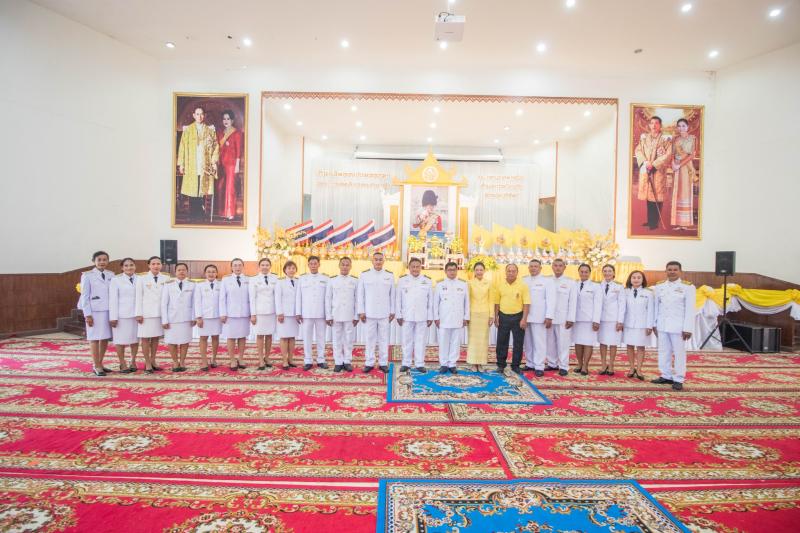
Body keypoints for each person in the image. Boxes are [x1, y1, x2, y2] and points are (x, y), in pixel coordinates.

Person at [652, 261, 696, 391]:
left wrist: (688, 328)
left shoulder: (688, 287)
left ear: (680, 271)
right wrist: (654, 323)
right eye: (669, 269)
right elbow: (656, 306)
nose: (672, 272)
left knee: (679, 353)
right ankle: (666, 375)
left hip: (678, 327)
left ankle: (678, 378)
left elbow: (690, 309)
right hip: (662, 324)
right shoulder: (659, 286)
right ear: (665, 271)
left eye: (675, 269)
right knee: (663, 351)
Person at [177, 105, 219, 220]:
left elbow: (215, 146)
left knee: (202, 188)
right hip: (191, 163)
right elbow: (182, 147)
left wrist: (214, 162)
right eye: (197, 114)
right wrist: (181, 164)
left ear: (204, 115)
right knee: (192, 188)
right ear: (194, 115)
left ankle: (200, 213)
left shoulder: (210, 130)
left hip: (204, 163)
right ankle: (192, 213)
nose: (199, 116)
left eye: (201, 114)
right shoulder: (188, 130)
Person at [357, 251, 395, 373]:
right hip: (369, 312)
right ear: (372, 261)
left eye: (380, 259)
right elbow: (360, 295)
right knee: (370, 338)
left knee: (384, 338)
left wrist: (392, 311)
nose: (378, 261)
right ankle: (369, 362)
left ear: (384, 261)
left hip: (384, 312)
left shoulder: (389, 275)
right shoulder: (364, 275)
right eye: (376, 259)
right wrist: (361, 311)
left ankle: (383, 363)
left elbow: (392, 295)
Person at [79, 251, 113, 376]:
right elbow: (84, 296)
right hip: (94, 312)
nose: (102, 262)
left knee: (104, 338)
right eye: (99, 260)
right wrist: (87, 314)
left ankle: (100, 363)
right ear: (94, 261)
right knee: (94, 338)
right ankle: (96, 365)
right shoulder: (87, 275)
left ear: (108, 261)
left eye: (105, 259)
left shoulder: (111, 274)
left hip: (107, 310)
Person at [634, 115, 672, 230]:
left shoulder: (666, 139)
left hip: (658, 171)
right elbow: (638, 150)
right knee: (649, 197)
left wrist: (654, 164)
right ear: (649, 125)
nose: (654, 125)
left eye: (656, 123)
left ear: (660, 125)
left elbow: (668, 155)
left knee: (657, 197)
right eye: (651, 123)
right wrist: (645, 162)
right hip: (646, 169)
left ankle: (655, 223)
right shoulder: (644, 138)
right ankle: (650, 221)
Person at [396, 257, 433, 372]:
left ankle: (419, 363)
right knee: (406, 340)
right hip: (407, 316)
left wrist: (430, 316)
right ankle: (406, 363)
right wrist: (399, 315)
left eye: (417, 267)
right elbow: (398, 299)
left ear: (421, 267)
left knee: (420, 340)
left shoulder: (427, 281)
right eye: (413, 267)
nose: (415, 269)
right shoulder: (402, 280)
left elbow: (430, 301)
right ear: (409, 267)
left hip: (422, 316)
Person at [135, 256, 171, 374]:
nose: (156, 266)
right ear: (149, 265)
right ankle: (147, 363)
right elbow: (138, 297)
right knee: (145, 339)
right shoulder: (141, 278)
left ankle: (153, 360)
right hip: (146, 314)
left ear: (161, 265)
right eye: (153, 264)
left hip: (159, 313)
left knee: (155, 338)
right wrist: (138, 313)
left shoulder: (166, 278)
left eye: (158, 263)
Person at [493, 264, 530, 374]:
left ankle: (516, 365)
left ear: (517, 272)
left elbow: (526, 303)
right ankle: (501, 365)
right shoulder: (499, 285)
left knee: (518, 343)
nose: (511, 273)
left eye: (513, 271)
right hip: (503, 316)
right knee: (501, 342)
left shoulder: (523, 285)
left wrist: (524, 319)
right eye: (509, 271)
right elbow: (496, 303)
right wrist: (496, 317)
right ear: (505, 272)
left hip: (518, 316)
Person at [434, 262, 470, 373]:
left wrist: (466, 317)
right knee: (443, 342)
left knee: (455, 342)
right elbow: (435, 303)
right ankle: (444, 364)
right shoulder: (440, 284)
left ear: (457, 271)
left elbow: (467, 302)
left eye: (454, 270)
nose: (452, 272)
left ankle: (452, 364)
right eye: (449, 270)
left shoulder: (463, 284)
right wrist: (436, 317)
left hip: (458, 318)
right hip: (444, 318)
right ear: (445, 271)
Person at [325, 257, 358, 372]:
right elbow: (328, 298)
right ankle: (338, 361)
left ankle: (347, 361)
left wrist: (356, 315)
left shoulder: (355, 281)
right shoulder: (332, 280)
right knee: (337, 338)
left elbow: (357, 299)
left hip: (349, 314)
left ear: (351, 267)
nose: (345, 267)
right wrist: (328, 315)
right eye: (343, 264)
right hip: (336, 314)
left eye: (347, 265)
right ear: (339, 266)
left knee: (349, 338)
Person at [296, 256, 330, 370]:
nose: (313, 266)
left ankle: (321, 360)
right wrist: (298, 312)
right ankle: (308, 360)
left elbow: (328, 297)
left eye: (315, 263)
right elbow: (298, 296)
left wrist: (328, 314)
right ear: (308, 265)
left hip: (321, 313)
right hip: (306, 313)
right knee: (307, 338)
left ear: (319, 264)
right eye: (311, 263)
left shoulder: (326, 278)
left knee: (321, 337)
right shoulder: (302, 278)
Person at [161, 263, 196, 371]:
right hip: (172, 318)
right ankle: (175, 362)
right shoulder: (168, 284)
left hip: (186, 318)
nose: (181, 272)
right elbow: (164, 303)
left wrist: (193, 317)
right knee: (172, 341)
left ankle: (182, 361)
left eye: (183, 270)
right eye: (179, 270)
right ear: (175, 272)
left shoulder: (192, 284)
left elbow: (195, 302)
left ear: (187, 271)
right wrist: (164, 320)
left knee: (185, 341)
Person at [523, 259, 555, 377]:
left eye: (535, 266)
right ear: (528, 268)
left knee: (539, 342)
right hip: (526, 316)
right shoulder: (524, 280)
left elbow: (551, 300)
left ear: (540, 268)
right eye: (531, 266)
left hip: (539, 316)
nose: (533, 268)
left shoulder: (547, 281)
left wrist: (549, 316)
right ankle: (530, 363)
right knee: (528, 342)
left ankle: (539, 366)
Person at [545, 258, 577, 376]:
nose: (557, 268)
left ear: (564, 267)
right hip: (549, 317)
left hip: (563, 318)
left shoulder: (570, 282)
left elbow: (573, 302)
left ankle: (563, 366)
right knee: (550, 342)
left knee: (563, 343)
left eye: (560, 265)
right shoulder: (547, 281)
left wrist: (571, 318)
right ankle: (552, 363)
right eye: (555, 265)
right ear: (552, 267)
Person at [623, 270, 654, 380]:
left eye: (639, 277)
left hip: (642, 324)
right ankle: (632, 368)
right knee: (630, 346)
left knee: (641, 346)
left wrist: (649, 326)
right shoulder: (625, 291)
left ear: (643, 280)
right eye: (634, 277)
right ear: (630, 279)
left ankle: (639, 369)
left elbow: (650, 310)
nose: (636, 279)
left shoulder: (649, 293)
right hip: (628, 323)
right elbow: (622, 308)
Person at [219, 258, 250, 371]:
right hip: (230, 314)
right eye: (235, 265)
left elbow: (251, 297)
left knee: (242, 336)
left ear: (243, 267)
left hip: (244, 313)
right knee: (231, 337)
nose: (237, 267)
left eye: (240, 265)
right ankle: (232, 359)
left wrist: (252, 313)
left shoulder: (248, 279)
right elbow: (222, 298)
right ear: (231, 267)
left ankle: (240, 358)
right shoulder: (226, 280)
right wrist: (223, 313)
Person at [109, 257, 138, 373]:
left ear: (135, 266)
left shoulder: (140, 279)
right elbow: (113, 300)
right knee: (120, 341)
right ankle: (122, 363)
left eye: (131, 265)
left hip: (136, 315)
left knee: (135, 340)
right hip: (121, 316)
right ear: (122, 268)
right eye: (126, 265)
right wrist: (113, 317)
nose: (129, 267)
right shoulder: (116, 280)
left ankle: (133, 361)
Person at [573, 264, 603, 375]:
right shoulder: (574, 284)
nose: (584, 274)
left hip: (589, 320)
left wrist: (596, 320)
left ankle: (585, 365)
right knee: (578, 342)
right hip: (576, 319)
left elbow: (598, 304)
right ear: (578, 272)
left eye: (586, 272)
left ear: (590, 273)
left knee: (588, 343)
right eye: (582, 271)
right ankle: (580, 364)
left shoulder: (596, 286)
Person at [249, 258, 278, 371]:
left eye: (267, 265)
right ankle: (261, 359)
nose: (265, 267)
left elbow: (277, 296)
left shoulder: (275, 278)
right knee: (260, 335)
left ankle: (267, 357)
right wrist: (253, 314)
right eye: (263, 265)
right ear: (259, 267)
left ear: (270, 266)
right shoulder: (253, 279)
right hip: (259, 312)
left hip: (271, 311)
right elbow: (252, 298)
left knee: (269, 335)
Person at [598, 264, 626, 376]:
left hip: (614, 319)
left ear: (614, 273)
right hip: (601, 318)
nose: (607, 273)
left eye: (609, 271)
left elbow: (622, 304)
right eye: (605, 271)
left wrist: (620, 321)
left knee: (613, 343)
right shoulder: (598, 285)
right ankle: (603, 365)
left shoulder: (619, 286)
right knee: (602, 342)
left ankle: (611, 365)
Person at [670, 118, 697, 230]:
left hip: (686, 168)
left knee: (685, 192)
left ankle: (685, 223)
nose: (681, 128)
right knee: (677, 193)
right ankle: (678, 222)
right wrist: (673, 163)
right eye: (679, 126)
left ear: (687, 127)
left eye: (683, 126)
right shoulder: (676, 139)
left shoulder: (692, 138)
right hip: (676, 168)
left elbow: (692, 155)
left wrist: (679, 165)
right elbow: (672, 153)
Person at [467, 261, 494, 372]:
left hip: (484, 314)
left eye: (481, 270)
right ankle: (473, 363)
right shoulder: (469, 283)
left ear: (484, 271)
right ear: (474, 271)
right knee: (473, 340)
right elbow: (467, 300)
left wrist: (491, 315)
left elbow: (491, 300)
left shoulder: (489, 283)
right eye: (477, 270)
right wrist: (466, 315)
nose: (479, 272)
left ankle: (481, 363)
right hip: (473, 314)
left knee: (483, 339)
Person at [216, 109, 243, 221]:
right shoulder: (220, 133)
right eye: (224, 119)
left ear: (232, 120)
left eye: (228, 119)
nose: (226, 121)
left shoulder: (236, 133)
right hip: (221, 163)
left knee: (230, 188)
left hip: (232, 164)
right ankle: (223, 212)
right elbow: (217, 148)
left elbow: (238, 150)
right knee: (221, 187)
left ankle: (230, 212)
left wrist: (237, 165)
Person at [195, 264, 222, 370]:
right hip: (204, 317)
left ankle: (213, 359)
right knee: (203, 338)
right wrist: (198, 317)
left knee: (215, 337)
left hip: (217, 316)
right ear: (205, 273)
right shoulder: (200, 285)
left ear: (216, 273)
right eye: (209, 272)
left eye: (213, 272)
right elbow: (197, 302)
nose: (211, 274)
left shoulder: (221, 285)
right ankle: (204, 361)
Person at [275, 261, 300, 369]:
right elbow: (277, 298)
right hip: (284, 314)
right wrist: (279, 313)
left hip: (295, 314)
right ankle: (284, 360)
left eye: (293, 268)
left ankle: (290, 359)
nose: (291, 270)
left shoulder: (298, 281)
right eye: (289, 268)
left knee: (292, 337)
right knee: (284, 337)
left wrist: (299, 312)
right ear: (285, 270)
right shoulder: (280, 282)